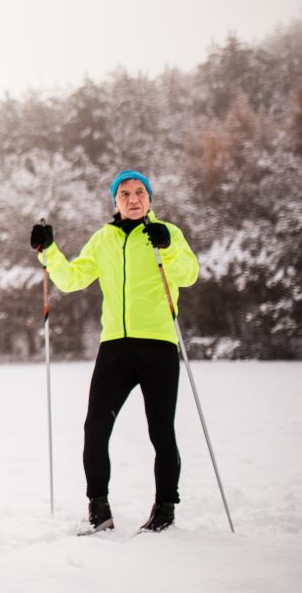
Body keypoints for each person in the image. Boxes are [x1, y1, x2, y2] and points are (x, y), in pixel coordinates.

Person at [30, 170, 199, 534]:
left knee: (161, 431)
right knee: (95, 428)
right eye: (125, 194)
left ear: (150, 199)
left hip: (158, 344)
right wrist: (50, 251)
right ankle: (98, 510)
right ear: (115, 201)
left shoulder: (165, 234)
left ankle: (165, 509)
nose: (133, 199)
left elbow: (189, 274)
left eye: (140, 192)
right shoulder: (103, 239)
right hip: (115, 348)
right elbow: (72, 278)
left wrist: (168, 246)